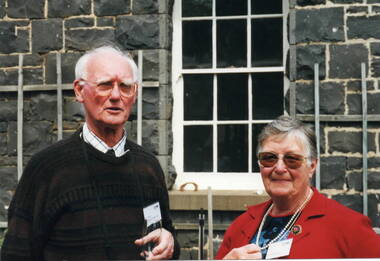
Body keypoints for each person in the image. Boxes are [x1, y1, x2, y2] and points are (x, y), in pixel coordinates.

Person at [1, 45, 180, 260]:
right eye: (105, 85)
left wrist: (170, 243)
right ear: (79, 91)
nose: (116, 95)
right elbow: (16, 253)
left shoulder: (148, 167)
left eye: (125, 86)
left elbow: (166, 234)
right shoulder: (47, 169)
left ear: (135, 93)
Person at [216, 115, 380, 259]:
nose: (279, 168)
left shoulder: (348, 226)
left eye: (292, 159)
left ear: (312, 166)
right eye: (269, 158)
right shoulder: (240, 225)